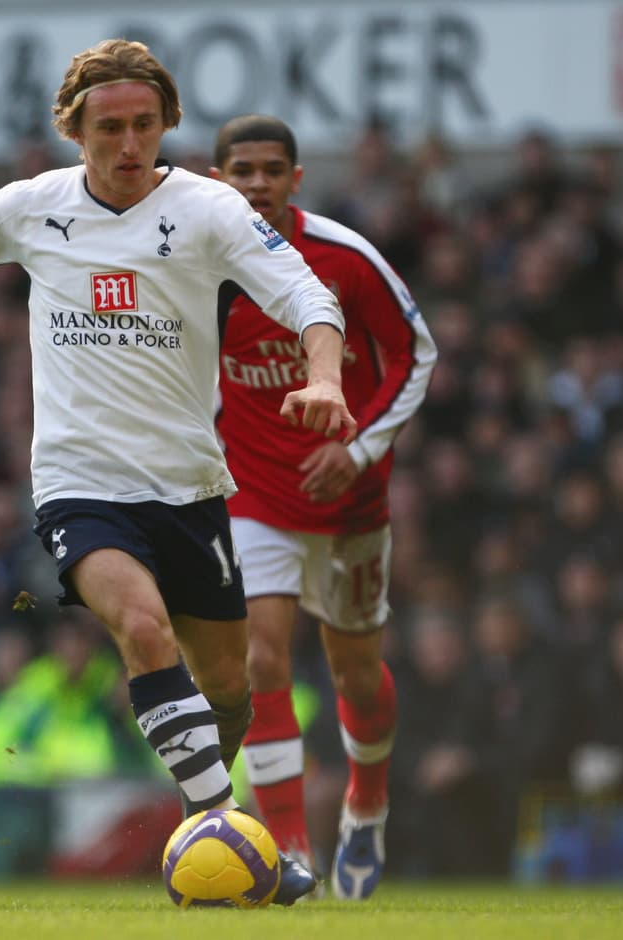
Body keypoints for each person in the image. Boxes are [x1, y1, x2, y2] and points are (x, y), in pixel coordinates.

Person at [0, 39, 358, 905]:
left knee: (229, 690)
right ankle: (231, 841)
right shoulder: (31, 207)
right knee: (141, 629)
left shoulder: (211, 210)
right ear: (74, 130)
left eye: (143, 126)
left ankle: (209, 823)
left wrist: (323, 376)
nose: (127, 145)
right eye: (108, 128)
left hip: (193, 488)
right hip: (79, 485)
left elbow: (310, 297)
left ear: (166, 124)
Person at [211, 114, 437, 899]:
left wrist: (359, 449)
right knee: (260, 659)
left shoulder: (345, 257)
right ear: (218, 181)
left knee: (359, 675)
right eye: (243, 170)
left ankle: (366, 809)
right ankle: (287, 851)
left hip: (349, 503)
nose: (259, 183)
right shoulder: (198, 267)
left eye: (273, 169)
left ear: (296, 179)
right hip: (252, 499)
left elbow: (416, 353)